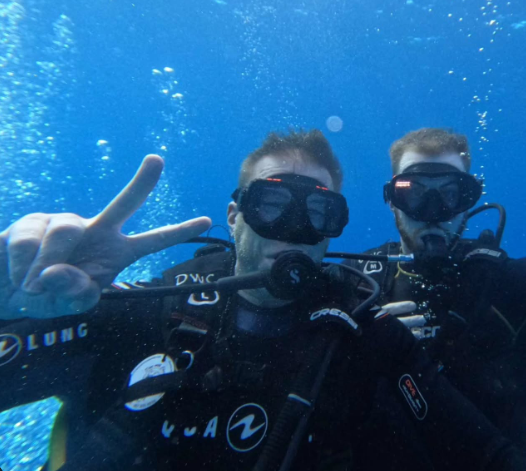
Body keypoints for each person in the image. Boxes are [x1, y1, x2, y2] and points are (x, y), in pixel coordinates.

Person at [1, 129, 525, 471]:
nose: (296, 229)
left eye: (320, 213)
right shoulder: (148, 311)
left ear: (332, 230)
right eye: (273, 204)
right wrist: (10, 302)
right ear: (234, 216)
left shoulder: (362, 332)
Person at [348, 127, 526, 448]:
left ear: (466, 204)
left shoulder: (505, 281)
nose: (433, 212)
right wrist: (355, 347)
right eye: (413, 192)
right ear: (393, 202)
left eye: (450, 193)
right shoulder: (356, 284)